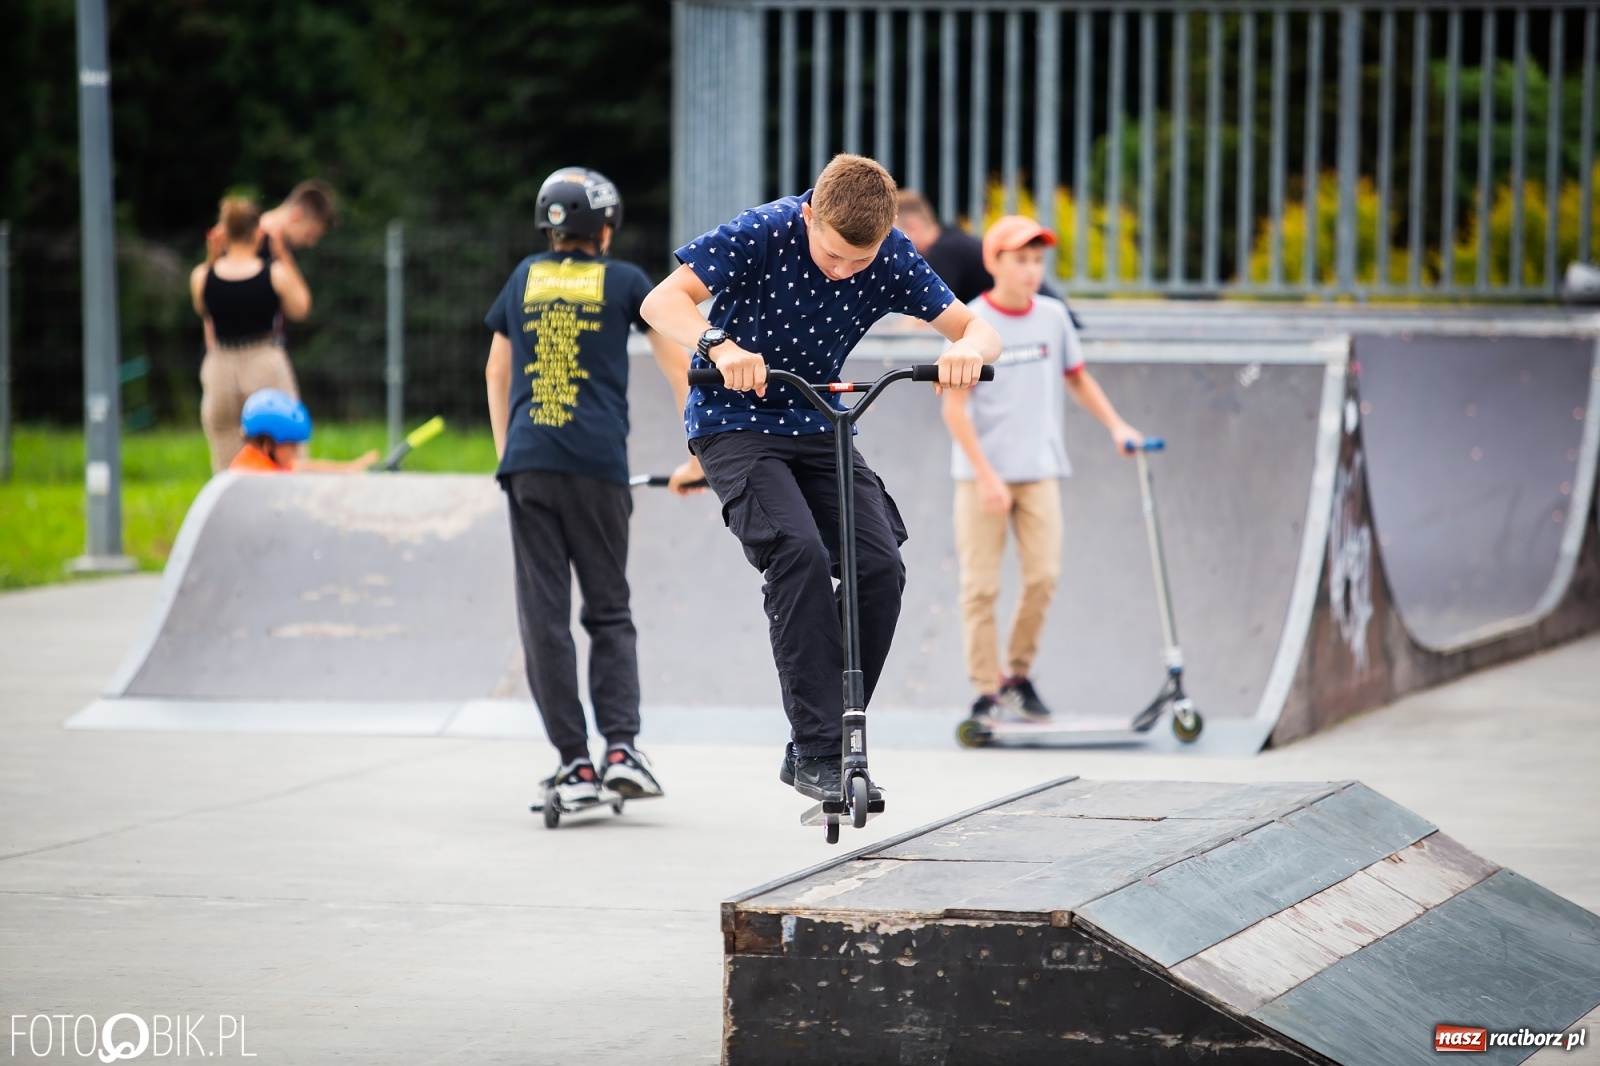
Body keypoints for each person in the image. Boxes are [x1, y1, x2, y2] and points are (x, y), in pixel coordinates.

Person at [640, 154, 1001, 802]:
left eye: (855, 265)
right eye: (832, 256)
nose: (841, 272)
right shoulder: (764, 230)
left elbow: (977, 326)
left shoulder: (890, 254)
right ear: (810, 215)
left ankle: (826, 733)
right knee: (798, 553)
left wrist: (967, 351)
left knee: (879, 565)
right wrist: (720, 346)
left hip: (817, 424)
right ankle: (818, 751)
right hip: (732, 423)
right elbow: (660, 300)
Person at [485, 167, 700, 812]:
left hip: (529, 464)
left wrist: (508, 456)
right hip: (598, 467)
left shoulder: (523, 276)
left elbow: (496, 368)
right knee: (607, 609)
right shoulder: (628, 281)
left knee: (543, 617)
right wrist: (700, 455)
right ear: (604, 228)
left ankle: (574, 763)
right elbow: (679, 365)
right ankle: (620, 749)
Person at [942, 215, 1142, 725]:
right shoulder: (969, 326)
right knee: (981, 587)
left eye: (1038, 261)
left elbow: (1078, 379)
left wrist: (1118, 426)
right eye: (1021, 260)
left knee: (1043, 577)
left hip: (1039, 470)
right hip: (980, 476)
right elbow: (953, 409)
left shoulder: (1053, 318)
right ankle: (985, 692)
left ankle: (1017, 678)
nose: (1032, 271)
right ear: (993, 263)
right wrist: (986, 475)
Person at [190, 196, 312, 472]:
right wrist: (282, 254)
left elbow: (203, 308)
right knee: (286, 445)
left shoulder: (202, 277)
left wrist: (213, 257)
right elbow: (301, 307)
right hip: (263, 361)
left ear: (225, 235)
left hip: (220, 364)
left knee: (225, 455)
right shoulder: (274, 274)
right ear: (259, 233)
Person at [229, 388, 377, 474]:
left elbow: (304, 468)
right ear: (268, 445)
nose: (296, 451)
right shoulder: (253, 474)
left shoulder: (261, 461)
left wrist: (350, 468)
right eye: (292, 445)